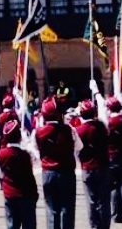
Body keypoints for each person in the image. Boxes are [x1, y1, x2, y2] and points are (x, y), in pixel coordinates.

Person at [35, 97, 77, 229]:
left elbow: (34, 150)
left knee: (51, 209)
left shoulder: (38, 132)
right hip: (66, 172)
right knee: (67, 208)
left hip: (48, 172)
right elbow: (79, 147)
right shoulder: (69, 130)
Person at [74, 99, 110, 229]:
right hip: (103, 166)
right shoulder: (102, 127)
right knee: (104, 200)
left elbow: (76, 151)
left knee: (91, 201)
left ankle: (94, 226)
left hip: (87, 168)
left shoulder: (78, 131)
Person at [0, 121, 38, 229]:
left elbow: (0, 174)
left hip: (10, 194)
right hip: (27, 193)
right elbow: (35, 160)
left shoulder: (0, 154)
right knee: (29, 224)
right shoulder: (26, 154)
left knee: (12, 225)